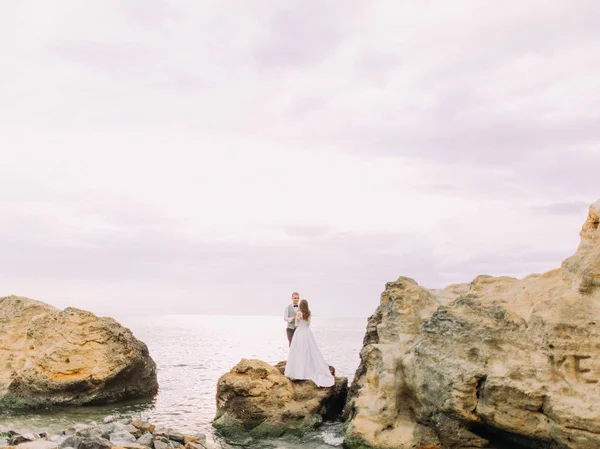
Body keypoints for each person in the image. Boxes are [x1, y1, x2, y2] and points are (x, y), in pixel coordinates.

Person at [284, 299, 335, 387]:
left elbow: (296, 324)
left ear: (301, 305)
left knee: (298, 350)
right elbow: (308, 324)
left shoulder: (299, 313)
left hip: (299, 332)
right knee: (308, 350)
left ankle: (299, 371)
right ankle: (308, 369)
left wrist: (297, 321)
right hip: (307, 332)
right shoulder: (309, 313)